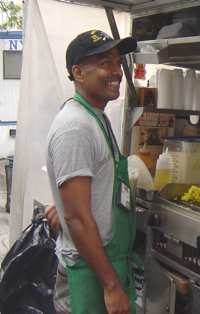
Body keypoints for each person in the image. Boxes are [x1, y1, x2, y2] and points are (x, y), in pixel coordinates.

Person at [45, 30, 137, 314]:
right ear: (78, 73)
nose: (116, 71)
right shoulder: (76, 127)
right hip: (88, 274)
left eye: (118, 62)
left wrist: (64, 206)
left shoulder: (95, 117)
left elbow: (78, 203)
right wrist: (111, 286)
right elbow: (77, 218)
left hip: (103, 263)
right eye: (104, 62)